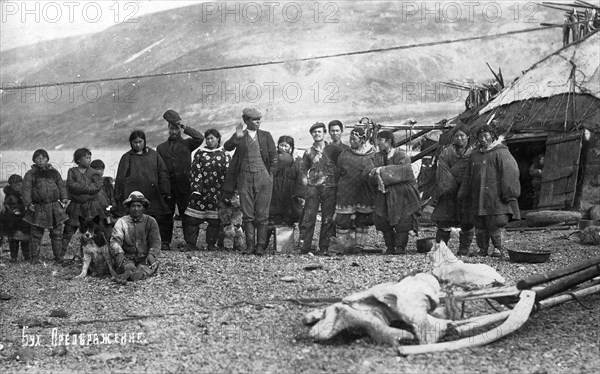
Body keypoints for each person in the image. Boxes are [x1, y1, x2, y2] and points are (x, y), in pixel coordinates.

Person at [458, 125, 521, 258]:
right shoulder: (475, 155)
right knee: (479, 222)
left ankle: (498, 248)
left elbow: (510, 172)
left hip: (495, 195)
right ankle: (483, 249)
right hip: (477, 195)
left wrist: (509, 192)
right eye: (480, 137)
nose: (483, 139)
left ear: (492, 136)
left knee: (495, 221)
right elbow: (468, 175)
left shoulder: (501, 152)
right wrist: (464, 192)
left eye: (486, 136)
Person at [222, 108, 277, 256]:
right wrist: (236, 138)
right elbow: (227, 147)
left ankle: (260, 246)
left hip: (263, 177)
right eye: (254, 119)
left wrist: (270, 174)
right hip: (244, 177)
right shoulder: (240, 135)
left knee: (263, 213)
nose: (258, 121)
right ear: (246, 121)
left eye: (259, 119)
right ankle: (250, 246)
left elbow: (273, 157)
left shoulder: (266, 136)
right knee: (247, 213)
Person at [115, 130, 172, 251]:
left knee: (157, 217)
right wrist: (118, 195)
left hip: (151, 192)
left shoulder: (153, 155)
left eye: (140, 142)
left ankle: (160, 242)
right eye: (134, 142)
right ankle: (133, 243)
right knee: (133, 218)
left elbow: (162, 172)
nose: (137, 145)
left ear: (144, 141)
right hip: (132, 192)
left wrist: (165, 189)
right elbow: (120, 177)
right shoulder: (127, 157)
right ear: (131, 143)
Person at [156, 110, 204, 251]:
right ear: (168, 129)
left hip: (184, 185)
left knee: (186, 215)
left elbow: (200, 138)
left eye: (177, 128)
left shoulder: (188, 144)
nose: (174, 131)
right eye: (172, 128)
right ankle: (165, 242)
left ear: (180, 129)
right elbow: (160, 169)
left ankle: (190, 243)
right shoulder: (161, 148)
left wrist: (185, 126)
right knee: (166, 214)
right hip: (168, 186)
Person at [369, 131, 421, 255]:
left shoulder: (402, 156)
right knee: (382, 219)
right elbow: (369, 171)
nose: (378, 144)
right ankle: (390, 246)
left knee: (403, 220)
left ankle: (400, 247)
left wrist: (380, 170)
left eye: (380, 141)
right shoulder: (377, 156)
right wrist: (375, 172)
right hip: (383, 193)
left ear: (388, 141)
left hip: (401, 193)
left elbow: (403, 171)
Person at [430, 125, 476, 255]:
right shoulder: (446, 152)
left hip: (466, 191)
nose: (459, 138)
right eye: (456, 136)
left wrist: (465, 184)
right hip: (448, 191)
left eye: (462, 135)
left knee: (466, 222)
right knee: (444, 221)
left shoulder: (473, 154)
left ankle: (463, 249)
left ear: (468, 137)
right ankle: (440, 249)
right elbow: (442, 171)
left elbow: (475, 172)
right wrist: (452, 182)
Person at [184, 128, 230, 252]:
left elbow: (228, 173)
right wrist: (196, 188)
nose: (209, 141)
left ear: (218, 139)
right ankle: (191, 243)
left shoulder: (224, 154)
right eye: (207, 139)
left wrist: (226, 191)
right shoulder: (200, 153)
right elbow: (195, 171)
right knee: (193, 219)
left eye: (212, 138)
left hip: (217, 192)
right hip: (201, 192)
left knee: (214, 221)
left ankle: (211, 244)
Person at [332, 126, 377, 253]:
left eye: (354, 139)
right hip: (346, 192)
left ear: (362, 139)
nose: (351, 141)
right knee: (342, 220)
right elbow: (338, 172)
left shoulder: (373, 154)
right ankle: (346, 246)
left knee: (363, 219)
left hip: (365, 192)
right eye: (350, 139)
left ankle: (359, 247)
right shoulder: (345, 154)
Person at [22, 149, 69, 264]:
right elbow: (26, 189)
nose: (41, 160)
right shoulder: (30, 174)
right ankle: (35, 258)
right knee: (36, 234)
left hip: (54, 207)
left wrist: (64, 198)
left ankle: (58, 257)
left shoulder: (54, 172)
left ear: (47, 159)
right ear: (34, 160)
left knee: (57, 233)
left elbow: (61, 186)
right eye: (38, 158)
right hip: (39, 208)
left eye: (44, 158)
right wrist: (28, 203)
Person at [298, 122, 337, 254]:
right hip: (313, 188)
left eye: (319, 131)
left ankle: (325, 247)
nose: (317, 134)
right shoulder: (308, 152)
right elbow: (303, 170)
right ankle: (305, 247)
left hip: (330, 187)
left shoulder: (332, 150)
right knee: (309, 217)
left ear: (324, 133)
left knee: (327, 218)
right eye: (314, 132)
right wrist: (306, 185)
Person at [110, 191, 160, 284]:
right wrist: (119, 253)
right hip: (126, 257)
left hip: (144, 257)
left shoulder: (151, 221)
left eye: (139, 206)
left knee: (142, 271)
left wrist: (152, 254)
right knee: (128, 267)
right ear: (129, 208)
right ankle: (127, 273)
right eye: (133, 206)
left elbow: (155, 241)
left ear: (143, 208)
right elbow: (115, 241)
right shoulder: (121, 222)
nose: (136, 209)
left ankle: (129, 275)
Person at [63, 148, 105, 258]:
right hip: (75, 206)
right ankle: (65, 255)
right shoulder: (72, 171)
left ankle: (87, 254)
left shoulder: (94, 173)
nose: (89, 160)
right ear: (78, 160)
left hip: (91, 206)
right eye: (86, 158)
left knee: (90, 229)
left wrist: (80, 190)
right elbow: (71, 185)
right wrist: (87, 189)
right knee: (70, 229)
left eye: (89, 157)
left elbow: (97, 187)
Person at [267, 135, 304, 249]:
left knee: (288, 218)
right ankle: (263, 242)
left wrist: (300, 194)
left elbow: (300, 178)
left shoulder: (297, 161)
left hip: (290, 193)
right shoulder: (273, 159)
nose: (283, 148)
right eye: (281, 145)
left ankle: (285, 244)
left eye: (286, 146)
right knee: (271, 218)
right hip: (274, 192)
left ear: (291, 147)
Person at [2, 175, 31, 262]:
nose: (17, 187)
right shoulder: (9, 195)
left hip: (24, 220)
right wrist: (14, 210)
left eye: (19, 184)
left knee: (25, 240)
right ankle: (13, 257)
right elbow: (7, 205)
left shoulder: (26, 193)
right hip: (12, 221)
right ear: (11, 185)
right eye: (15, 185)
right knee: (13, 241)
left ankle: (27, 257)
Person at [90, 159, 118, 224]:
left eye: (101, 169)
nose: (99, 171)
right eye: (97, 169)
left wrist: (113, 206)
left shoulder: (107, 182)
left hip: (107, 210)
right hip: (95, 212)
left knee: (109, 225)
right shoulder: (89, 183)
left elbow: (112, 197)